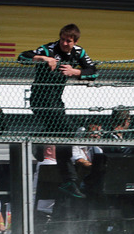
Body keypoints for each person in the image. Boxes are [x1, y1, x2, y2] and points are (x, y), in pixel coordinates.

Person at [19, 24, 98, 198]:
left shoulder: (78, 52)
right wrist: (43, 59)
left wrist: (75, 71)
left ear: (75, 41)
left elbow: (93, 72)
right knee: (68, 130)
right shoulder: (49, 49)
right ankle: (68, 178)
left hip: (57, 100)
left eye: (68, 41)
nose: (64, 43)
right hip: (40, 99)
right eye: (62, 39)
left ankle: (66, 179)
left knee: (61, 134)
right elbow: (22, 57)